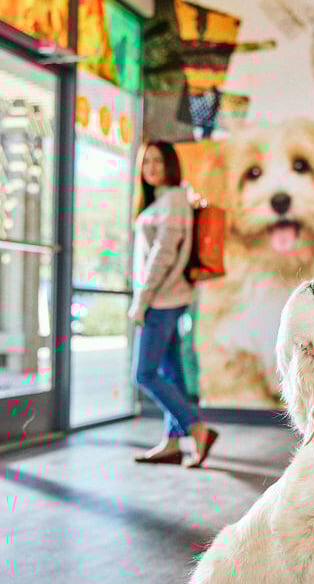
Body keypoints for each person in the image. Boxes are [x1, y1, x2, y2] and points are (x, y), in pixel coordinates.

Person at [128, 140, 217, 468]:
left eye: (157, 161)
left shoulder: (174, 200)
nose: (150, 167)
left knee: (145, 374)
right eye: (146, 161)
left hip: (161, 299)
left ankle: (196, 428)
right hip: (166, 297)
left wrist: (142, 300)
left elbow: (163, 255)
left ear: (170, 164)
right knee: (171, 372)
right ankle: (172, 443)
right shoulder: (165, 200)